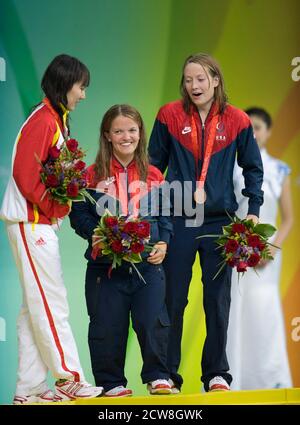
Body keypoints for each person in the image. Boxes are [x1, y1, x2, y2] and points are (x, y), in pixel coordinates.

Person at [148, 53, 264, 393]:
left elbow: (253, 168)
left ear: (215, 80)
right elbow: (154, 167)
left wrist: (253, 208)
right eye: (188, 80)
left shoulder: (237, 120)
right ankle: (167, 374)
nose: (194, 86)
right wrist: (155, 217)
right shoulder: (169, 116)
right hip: (179, 220)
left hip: (218, 221)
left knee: (217, 299)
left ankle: (217, 374)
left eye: (200, 79)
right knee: (173, 299)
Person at [0, 54, 103, 404]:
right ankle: (68, 379)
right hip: (31, 221)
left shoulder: (56, 119)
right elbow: (25, 174)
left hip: (37, 222)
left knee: (34, 308)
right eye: (81, 87)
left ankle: (28, 389)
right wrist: (57, 205)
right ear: (65, 84)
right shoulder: (43, 120)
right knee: (52, 302)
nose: (84, 95)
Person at [69, 104, 173, 397]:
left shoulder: (154, 174)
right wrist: (97, 236)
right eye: (118, 131)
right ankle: (110, 382)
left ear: (140, 133)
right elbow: (79, 216)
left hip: (147, 264)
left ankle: (158, 376)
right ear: (107, 135)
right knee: (106, 326)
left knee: (152, 319)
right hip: (105, 267)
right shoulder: (91, 174)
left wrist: (163, 242)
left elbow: (166, 217)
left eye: (132, 130)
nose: (126, 136)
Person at [226, 107, 294, 390]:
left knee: (264, 311)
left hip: (267, 255)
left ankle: (270, 382)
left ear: (268, 131)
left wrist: (272, 250)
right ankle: (233, 381)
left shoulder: (279, 169)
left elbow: (289, 218)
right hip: (235, 252)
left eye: (257, 127)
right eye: (248, 128)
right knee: (234, 312)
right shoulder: (230, 166)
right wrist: (236, 244)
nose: (252, 133)